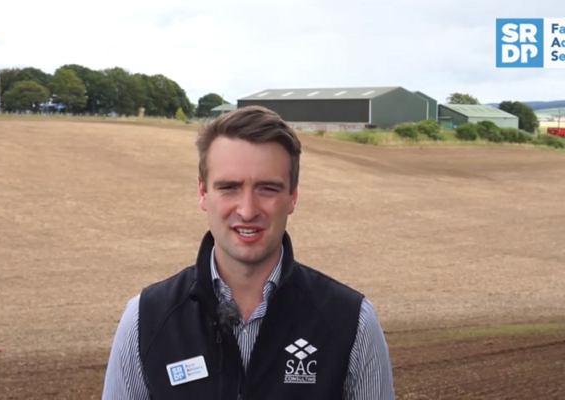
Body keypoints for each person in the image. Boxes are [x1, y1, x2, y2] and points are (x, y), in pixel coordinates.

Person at [101, 105, 395, 399]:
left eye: (267, 188)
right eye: (229, 187)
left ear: (293, 197)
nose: (247, 210)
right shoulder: (145, 320)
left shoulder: (352, 322)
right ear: (203, 193)